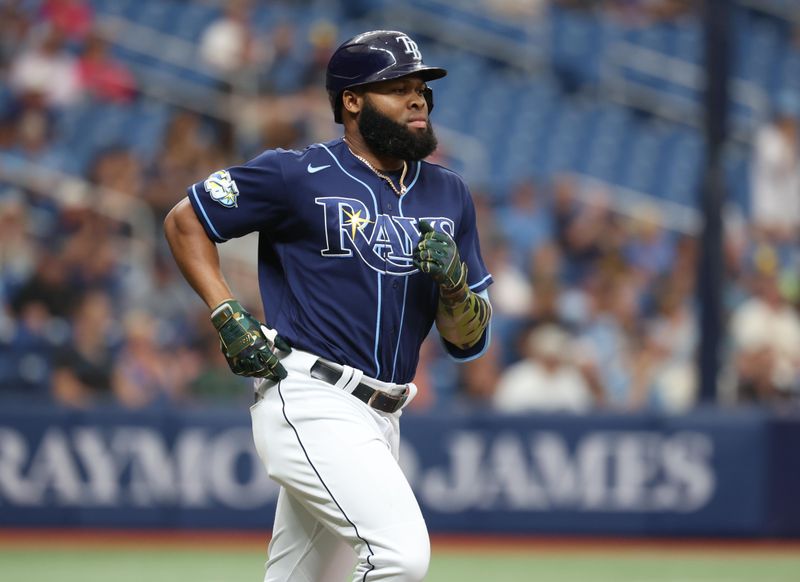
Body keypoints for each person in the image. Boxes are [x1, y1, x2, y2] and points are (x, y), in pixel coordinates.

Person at [164, 30, 493, 582]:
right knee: (398, 556)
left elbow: (468, 341)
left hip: (383, 415)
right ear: (352, 100)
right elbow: (185, 220)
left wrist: (457, 288)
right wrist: (226, 312)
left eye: (422, 88)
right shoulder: (296, 173)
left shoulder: (449, 193)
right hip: (311, 394)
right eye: (399, 87)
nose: (419, 99)